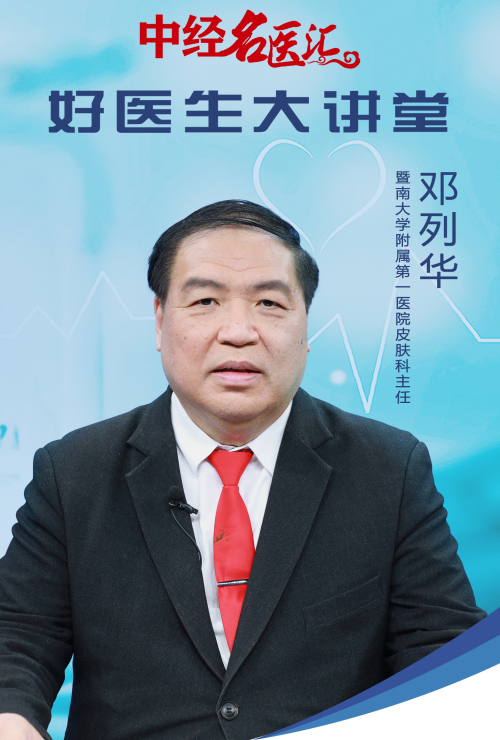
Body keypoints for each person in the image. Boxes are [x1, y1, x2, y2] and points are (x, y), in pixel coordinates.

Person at [0, 200, 485, 740]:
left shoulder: (388, 469)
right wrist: (11, 718)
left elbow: (439, 648)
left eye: (269, 303)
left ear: (306, 325)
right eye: (205, 301)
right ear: (160, 320)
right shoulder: (75, 472)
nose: (237, 331)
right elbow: (18, 636)